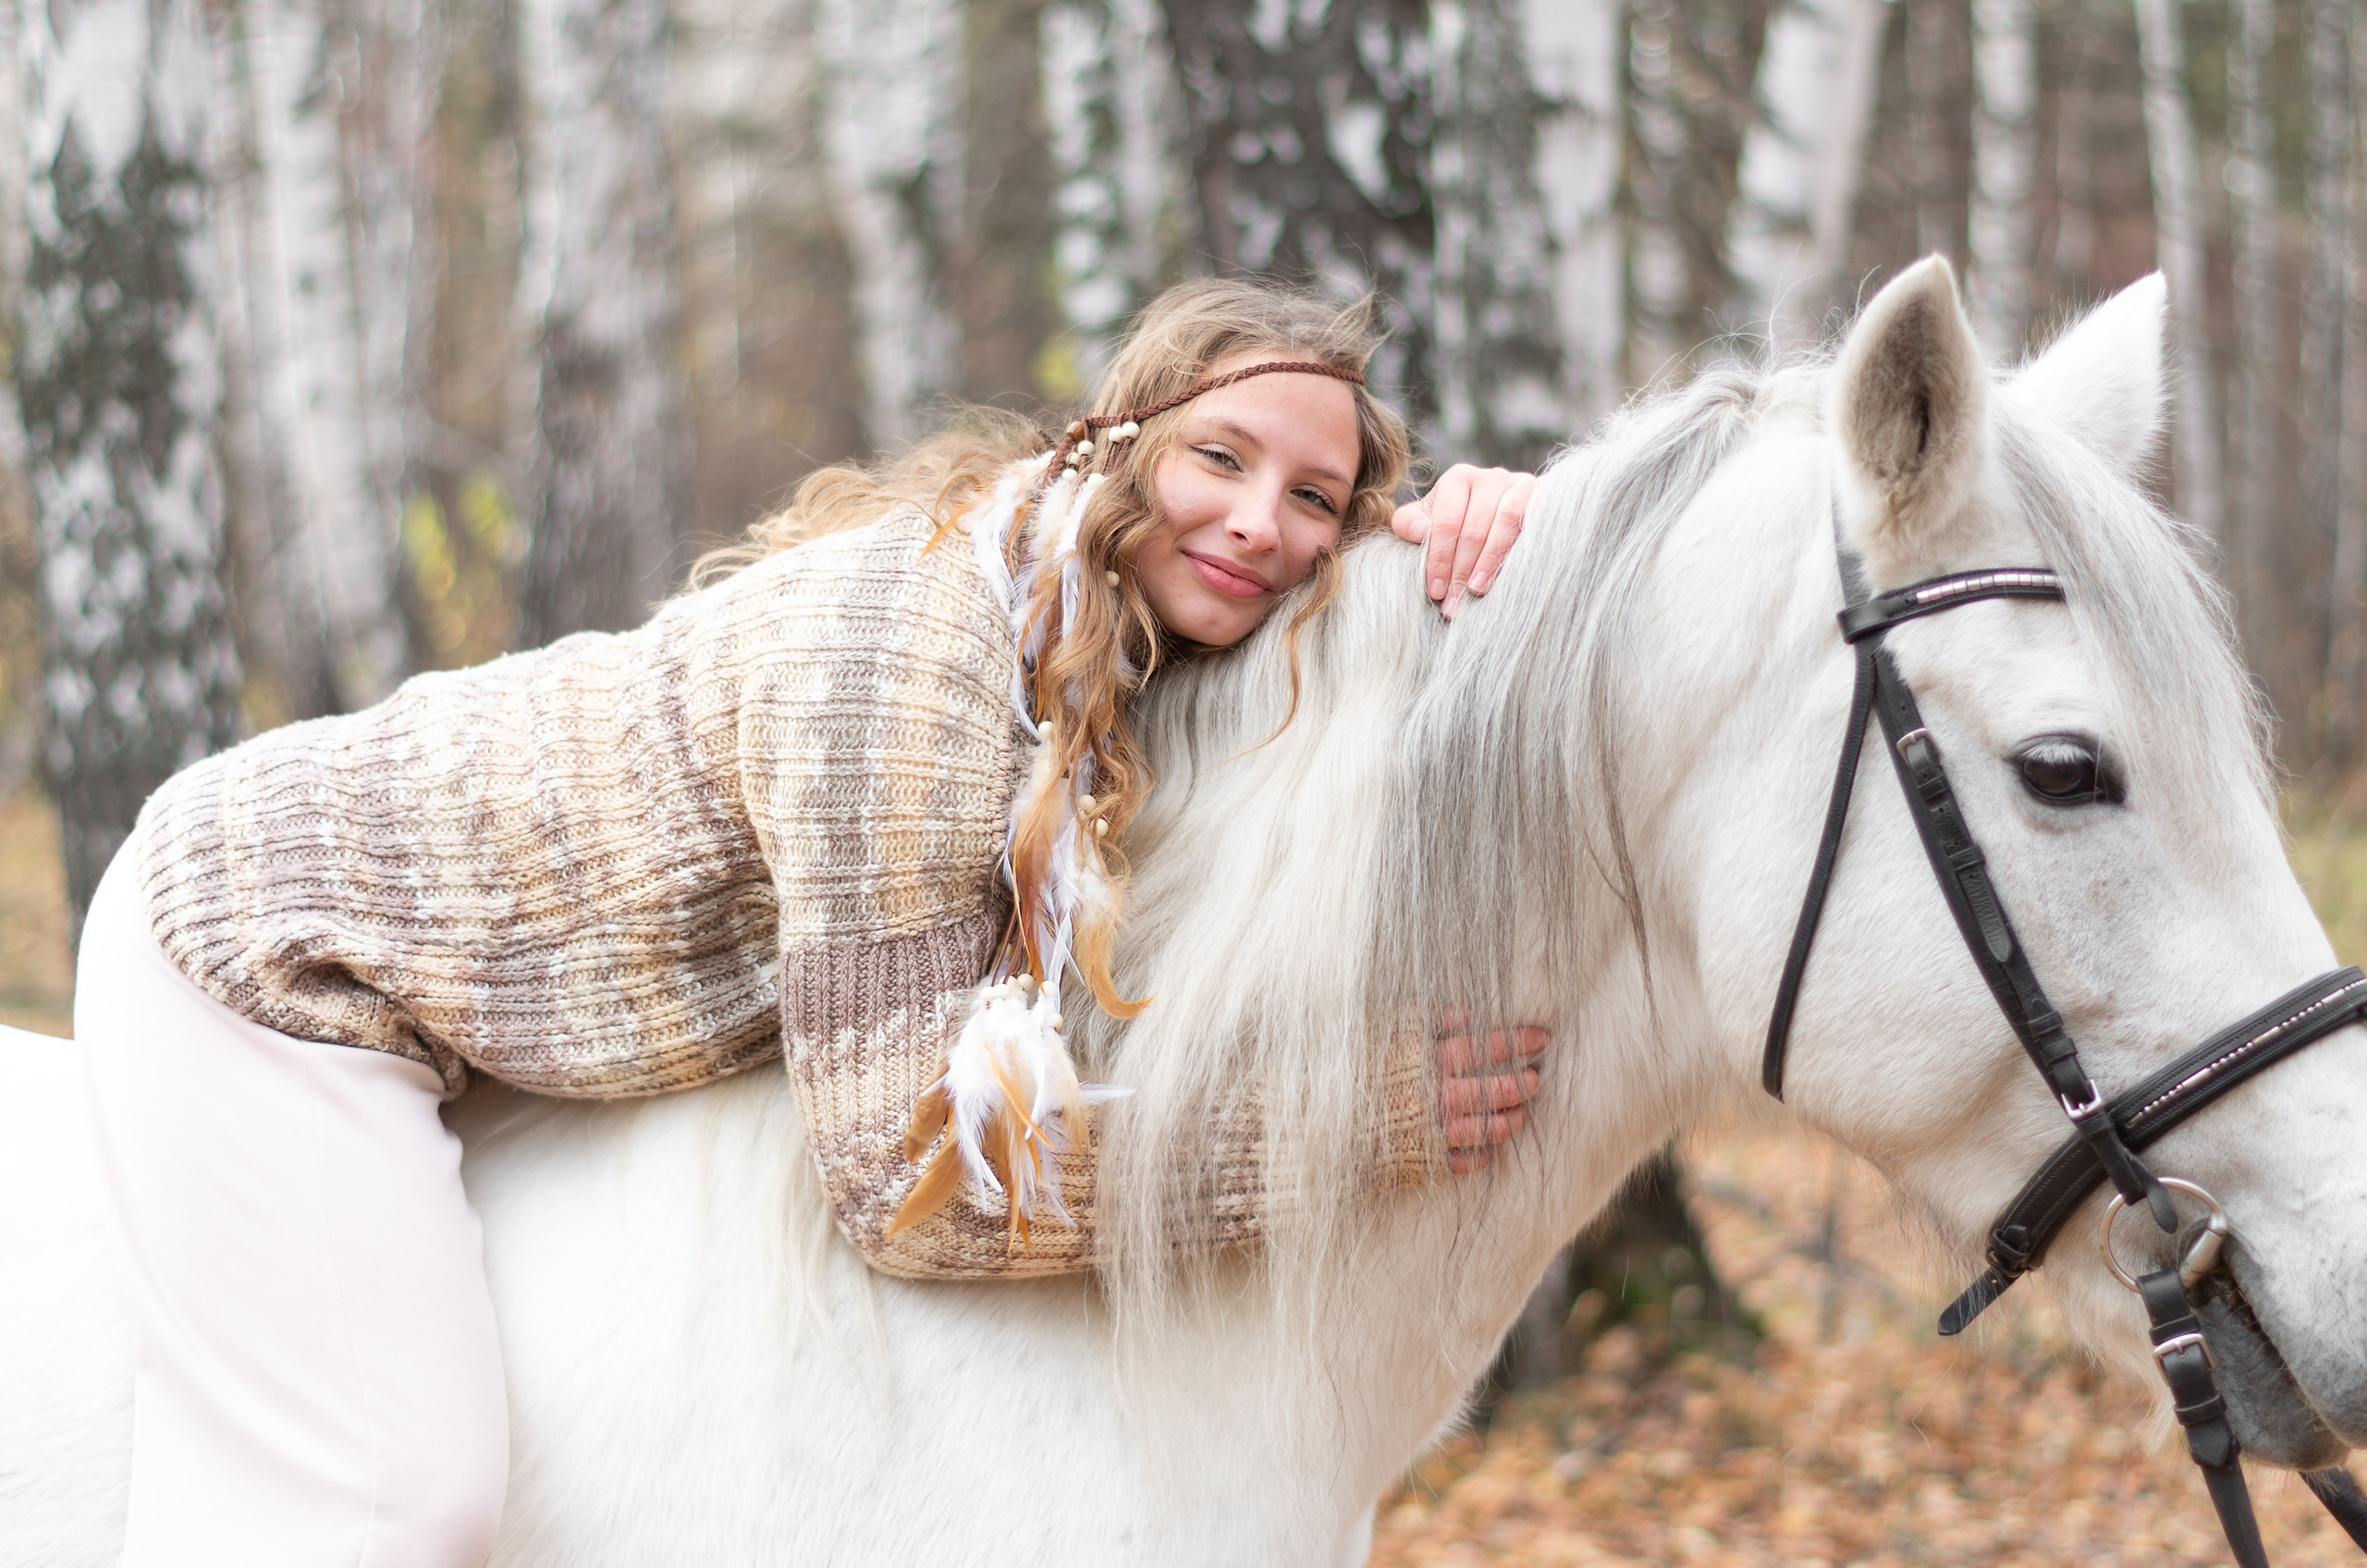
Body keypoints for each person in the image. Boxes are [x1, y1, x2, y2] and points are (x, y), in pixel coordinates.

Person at [74, 276, 1549, 1567]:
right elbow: (920, 1182)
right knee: (396, 1502)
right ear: (1116, 444)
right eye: (1219, 458)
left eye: (1314, 497)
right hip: (277, 950)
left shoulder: (1095, 623)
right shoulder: (907, 671)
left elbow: (1334, 667)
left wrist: (1499, 536)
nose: (1258, 522)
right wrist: (1347, 1126)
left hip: (466, 997)